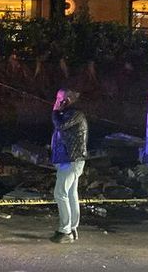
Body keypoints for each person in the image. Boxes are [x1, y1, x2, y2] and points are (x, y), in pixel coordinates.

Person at [49, 88, 88, 243]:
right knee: (71, 194)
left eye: (60, 99)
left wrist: (55, 111)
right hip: (69, 159)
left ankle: (65, 231)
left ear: (68, 100)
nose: (57, 101)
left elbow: (61, 126)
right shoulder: (68, 114)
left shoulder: (75, 114)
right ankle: (72, 227)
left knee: (60, 193)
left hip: (71, 160)